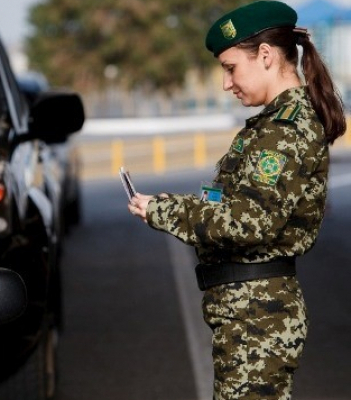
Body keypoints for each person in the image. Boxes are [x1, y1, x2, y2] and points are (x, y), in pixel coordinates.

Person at [127, 1, 346, 399]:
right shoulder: (274, 123)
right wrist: (186, 203)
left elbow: (250, 221)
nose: (227, 84)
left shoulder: (283, 130)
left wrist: (165, 210)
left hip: (257, 317)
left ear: (265, 56)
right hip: (248, 313)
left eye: (230, 68)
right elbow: (235, 202)